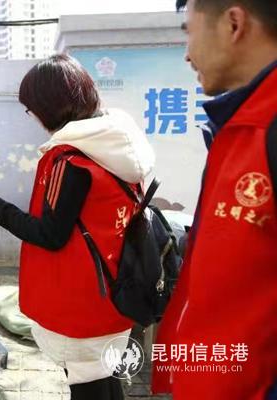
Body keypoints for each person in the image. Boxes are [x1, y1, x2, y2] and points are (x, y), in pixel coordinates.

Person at [0, 54, 155, 400]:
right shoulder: (117, 145)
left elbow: (50, 234)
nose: (32, 117)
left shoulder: (69, 159)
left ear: (49, 107)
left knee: (88, 387)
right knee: (105, 378)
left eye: (31, 109)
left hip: (81, 300)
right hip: (117, 288)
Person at [151, 1, 277, 399]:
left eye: (189, 31)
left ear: (234, 23)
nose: (187, 54)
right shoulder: (237, 127)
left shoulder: (266, 129)